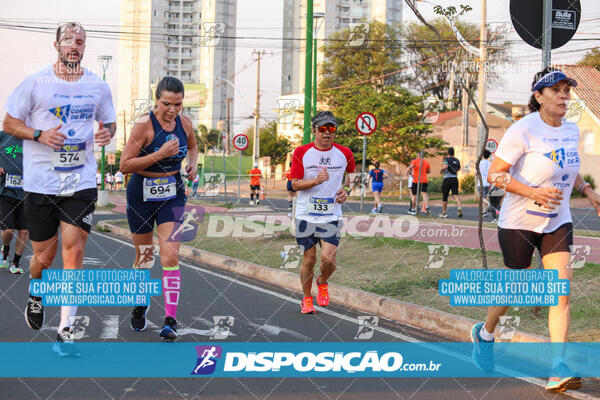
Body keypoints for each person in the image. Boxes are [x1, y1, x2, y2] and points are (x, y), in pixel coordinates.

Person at [470, 67, 600, 392]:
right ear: (538, 96)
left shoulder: (570, 131)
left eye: (567, 90)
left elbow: (568, 167)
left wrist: (587, 190)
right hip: (519, 221)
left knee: (561, 292)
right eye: (555, 90)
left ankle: (558, 367)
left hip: (557, 220)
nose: (563, 96)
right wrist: (531, 192)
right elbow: (495, 176)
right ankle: (485, 333)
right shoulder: (522, 130)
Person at [3, 22, 116, 356]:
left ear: (84, 48)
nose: (75, 46)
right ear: (56, 46)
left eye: (80, 41)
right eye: (68, 41)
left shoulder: (98, 85)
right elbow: (8, 123)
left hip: (79, 182)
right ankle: (35, 292)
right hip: (40, 184)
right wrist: (39, 135)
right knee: (44, 256)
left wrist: (107, 132)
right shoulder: (36, 82)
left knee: (74, 252)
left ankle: (66, 331)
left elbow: (108, 121)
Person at [120, 76, 198, 341]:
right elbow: (124, 165)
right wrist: (160, 154)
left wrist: (193, 163)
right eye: (167, 103)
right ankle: (140, 303)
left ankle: (170, 319)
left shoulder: (184, 123)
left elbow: (194, 145)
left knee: (170, 255)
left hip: (172, 193)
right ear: (156, 99)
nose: (173, 109)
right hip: (141, 191)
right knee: (144, 256)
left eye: (178, 104)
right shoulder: (143, 126)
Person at [290, 111, 354, 314]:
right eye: (323, 129)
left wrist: (347, 191)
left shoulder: (345, 153)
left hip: (331, 215)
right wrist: (315, 181)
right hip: (305, 214)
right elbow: (294, 184)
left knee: (329, 259)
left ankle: (323, 281)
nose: (327, 133)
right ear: (314, 130)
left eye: (331, 129)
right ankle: (307, 299)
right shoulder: (301, 152)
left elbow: (352, 176)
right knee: (309, 259)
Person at [0, 130, 28, 274]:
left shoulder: (32, 139)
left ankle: (15, 263)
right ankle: (5, 249)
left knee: (24, 231)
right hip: (6, 191)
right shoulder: (3, 136)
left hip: (27, 192)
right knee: (8, 231)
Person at [440, 147, 463, 218]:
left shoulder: (446, 159)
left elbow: (445, 166)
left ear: (448, 153)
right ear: (454, 153)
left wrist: (441, 170)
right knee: (455, 194)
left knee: (445, 196)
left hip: (447, 179)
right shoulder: (457, 160)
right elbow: (458, 168)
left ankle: (444, 213)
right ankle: (459, 207)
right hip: (455, 179)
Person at [478, 149, 498, 222]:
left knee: (481, 197)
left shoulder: (480, 163)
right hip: (488, 183)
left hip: (481, 183)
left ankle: (489, 205)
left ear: (483, 155)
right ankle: (484, 212)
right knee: (485, 197)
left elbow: (476, 173)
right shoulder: (490, 163)